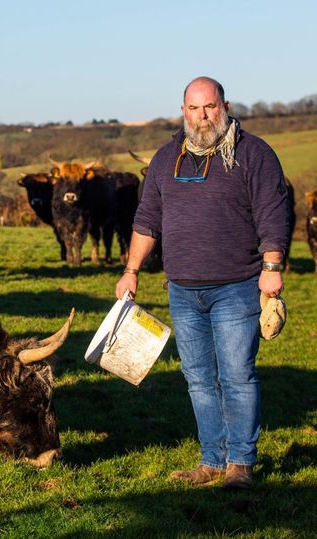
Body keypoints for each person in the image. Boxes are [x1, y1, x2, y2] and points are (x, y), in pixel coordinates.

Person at [115, 76, 290, 489]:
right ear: (183, 111)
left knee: (236, 375)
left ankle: (240, 465)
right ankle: (212, 459)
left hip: (237, 284)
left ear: (224, 105)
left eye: (209, 107)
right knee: (197, 377)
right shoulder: (164, 159)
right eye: (194, 109)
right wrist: (131, 270)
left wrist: (272, 264)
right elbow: (146, 220)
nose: (203, 116)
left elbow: (273, 212)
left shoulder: (254, 154)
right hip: (182, 288)